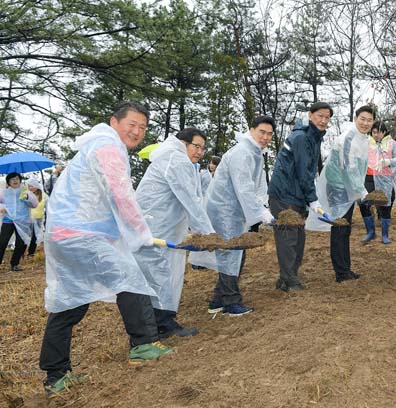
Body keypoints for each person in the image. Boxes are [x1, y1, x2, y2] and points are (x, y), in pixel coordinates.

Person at [39, 101, 172, 397]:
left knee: (71, 302)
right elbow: (120, 194)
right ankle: (144, 343)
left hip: (66, 234)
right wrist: (141, 233)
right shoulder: (108, 146)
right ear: (115, 122)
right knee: (130, 277)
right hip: (80, 235)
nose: (137, 131)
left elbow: (97, 199)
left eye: (142, 127)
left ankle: (55, 375)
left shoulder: (94, 146)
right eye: (132, 125)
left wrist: (123, 233)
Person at [133, 128, 215, 337]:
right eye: (196, 146)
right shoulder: (176, 160)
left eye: (203, 149)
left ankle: (161, 321)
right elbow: (191, 200)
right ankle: (160, 324)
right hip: (157, 228)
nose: (200, 152)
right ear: (183, 143)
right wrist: (208, 233)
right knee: (160, 274)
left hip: (163, 227)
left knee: (164, 273)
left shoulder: (176, 160)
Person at [193, 116, 275, 314]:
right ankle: (231, 302)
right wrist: (262, 213)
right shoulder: (243, 152)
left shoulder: (254, 152)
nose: (265, 137)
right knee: (231, 253)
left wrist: (263, 205)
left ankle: (218, 299)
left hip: (231, 210)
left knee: (234, 252)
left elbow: (256, 185)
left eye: (269, 134)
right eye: (262, 132)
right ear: (251, 130)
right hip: (225, 210)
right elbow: (244, 188)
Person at [268, 102, 331, 291]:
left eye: (327, 118)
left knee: (298, 238)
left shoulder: (313, 137)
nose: (323, 120)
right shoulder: (302, 138)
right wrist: (313, 200)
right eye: (320, 116)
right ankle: (289, 280)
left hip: (294, 195)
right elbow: (305, 173)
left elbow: (308, 172)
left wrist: (307, 200)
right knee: (289, 239)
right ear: (310, 115)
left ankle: (287, 277)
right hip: (284, 195)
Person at [308, 105, 374, 282]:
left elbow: (359, 167)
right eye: (363, 119)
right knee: (339, 228)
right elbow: (349, 168)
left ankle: (345, 269)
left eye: (369, 120)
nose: (365, 123)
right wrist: (363, 192)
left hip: (349, 188)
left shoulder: (363, 138)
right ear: (355, 118)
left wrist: (359, 190)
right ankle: (341, 273)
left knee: (345, 229)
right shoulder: (349, 138)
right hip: (338, 187)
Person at [360, 120, 396, 244]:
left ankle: (385, 235)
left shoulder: (391, 143)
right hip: (368, 177)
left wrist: (388, 162)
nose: (376, 135)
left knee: (385, 205)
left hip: (385, 178)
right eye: (374, 132)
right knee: (363, 203)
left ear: (384, 132)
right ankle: (370, 232)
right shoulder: (366, 143)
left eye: (378, 132)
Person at [0, 172, 39, 271]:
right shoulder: (4, 193)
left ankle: (14, 264)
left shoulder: (25, 192)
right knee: (2, 242)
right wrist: (2, 208)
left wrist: (27, 198)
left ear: (20, 180)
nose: (15, 181)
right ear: (8, 181)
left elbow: (35, 204)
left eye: (17, 179)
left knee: (21, 243)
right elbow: (1, 204)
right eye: (12, 179)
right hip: (8, 220)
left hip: (23, 221)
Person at [26, 177, 47, 258]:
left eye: (32, 186)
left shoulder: (43, 195)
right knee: (25, 236)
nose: (31, 188)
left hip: (39, 218)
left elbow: (48, 205)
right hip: (28, 219)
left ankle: (31, 253)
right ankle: (21, 252)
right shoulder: (27, 195)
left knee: (34, 236)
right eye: (29, 186)